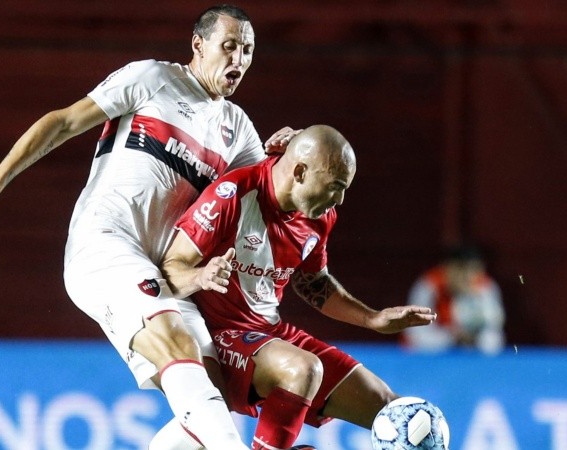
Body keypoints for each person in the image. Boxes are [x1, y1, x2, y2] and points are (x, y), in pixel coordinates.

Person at [0, 5, 298, 450]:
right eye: (229, 46)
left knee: (215, 394)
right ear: (198, 45)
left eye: (247, 50)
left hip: (164, 273)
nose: (239, 60)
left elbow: (271, 200)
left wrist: (291, 157)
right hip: (103, 247)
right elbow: (65, 121)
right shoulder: (152, 79)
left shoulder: (238, 128)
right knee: (175, 345)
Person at [160, 125, 439, 450]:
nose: (340, 199)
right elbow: (169, 268)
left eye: (344, 189)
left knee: (398, 413)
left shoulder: (320, 217)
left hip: (269, 334)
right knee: (303, 369)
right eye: (335, 187)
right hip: (218, 338)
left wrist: (372, 319)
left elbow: (313, 282)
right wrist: (200, 277)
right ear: (300, 171)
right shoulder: (234, 194)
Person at [401, 244, 505, 354]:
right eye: (461, 270)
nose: (468, 277)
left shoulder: (486, 288)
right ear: (447, 268)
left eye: (474, 270)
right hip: (428, 358)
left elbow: (495, 334)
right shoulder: (428, 286)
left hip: (468, 356)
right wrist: (452, 337)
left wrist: (473, 338)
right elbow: (413, 336)